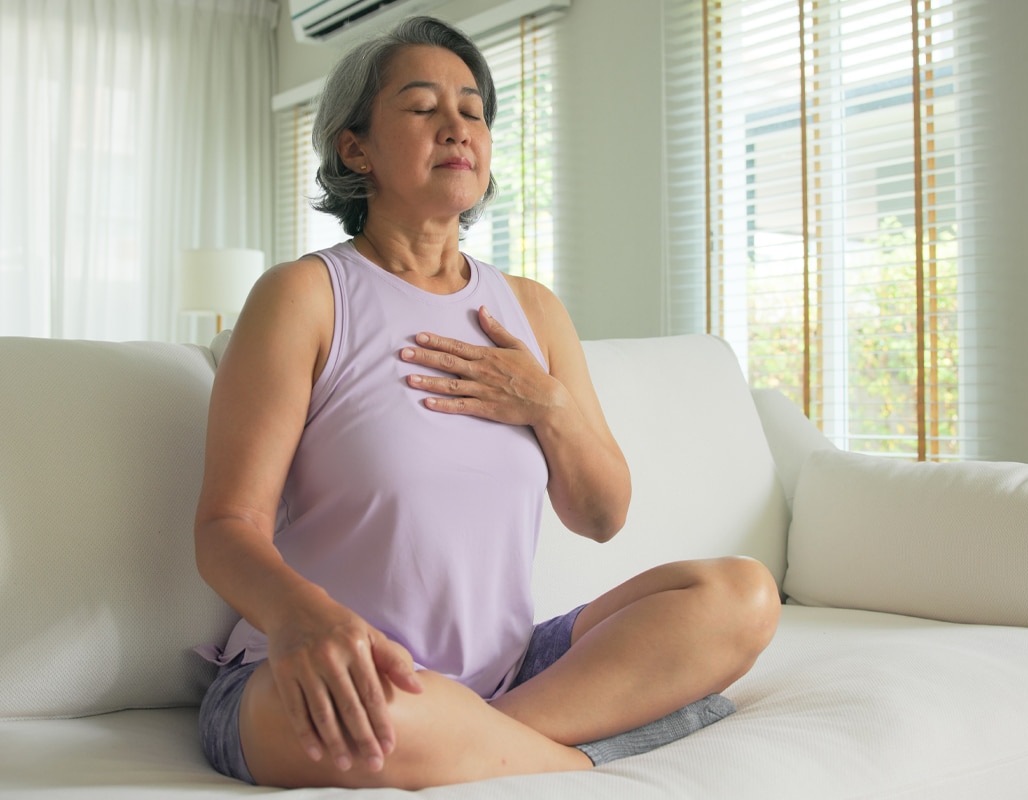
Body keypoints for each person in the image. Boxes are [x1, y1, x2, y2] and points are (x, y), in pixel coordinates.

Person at [193, 15, 780, 791]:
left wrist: (548, 404)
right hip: (333, 671)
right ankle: (566, 758)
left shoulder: (531, 310)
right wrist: (303, 618)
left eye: (472, 110)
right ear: (355, 148)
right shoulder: (305, 296)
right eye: (422, 106)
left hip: (511, 671)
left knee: (741, 596)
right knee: (385, 715)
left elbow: (602, 515)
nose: (457, 127)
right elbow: (226, 528)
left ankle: (476, 741)